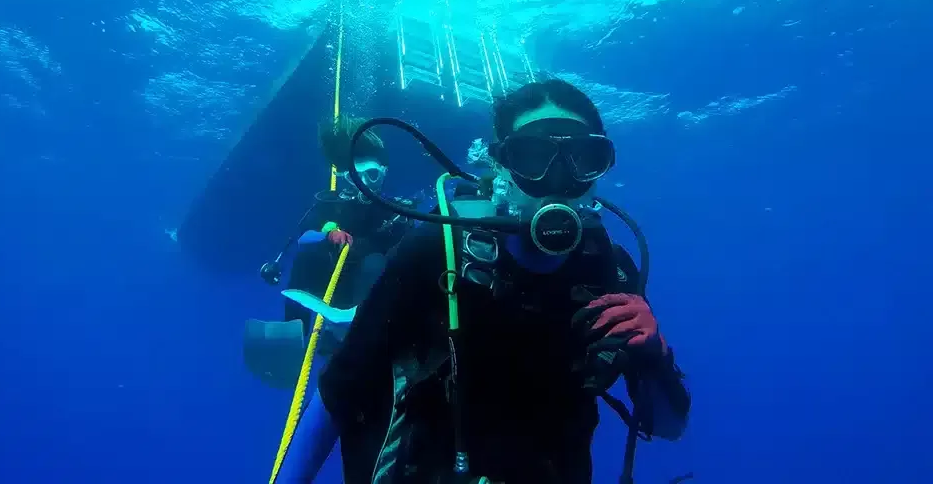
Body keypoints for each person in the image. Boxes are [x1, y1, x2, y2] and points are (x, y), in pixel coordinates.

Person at [277, 79, 691, 483]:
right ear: (501, 167)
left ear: (599, 169)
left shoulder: (609, 272)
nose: (558, 181)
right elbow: (337, 395)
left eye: (582, 158)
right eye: (533, 156)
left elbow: (668, 426)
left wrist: (654, 356)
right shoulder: (438, 252)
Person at [243, 115, 415, 389]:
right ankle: (292, 333)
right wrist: (330, 230)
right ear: (348, 177)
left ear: (383, 172)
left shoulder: (397, 212)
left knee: (375, 263)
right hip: (330, 287)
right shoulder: (332, 204)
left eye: (372, 175)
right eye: (358, 177)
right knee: (306, 257)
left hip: (369, 294)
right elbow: (306, 234)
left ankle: (361, 338)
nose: (366, 185)